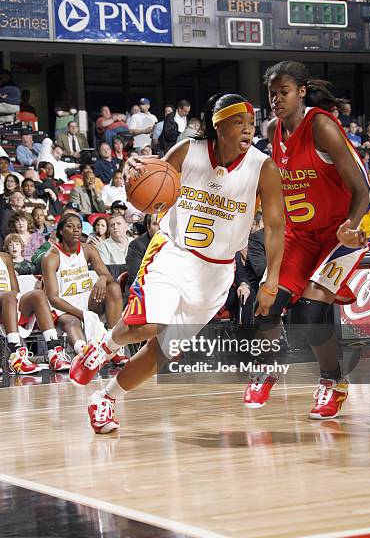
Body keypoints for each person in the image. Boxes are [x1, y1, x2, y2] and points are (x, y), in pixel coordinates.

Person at [69, 93, 285, 434]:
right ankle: (104, 346)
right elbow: (149, 178)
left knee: (164, 352)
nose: (247, 129)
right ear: (218, 125)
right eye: (238, 122)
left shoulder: (264, 167)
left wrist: (272, 279)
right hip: (174, 253)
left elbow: (274, 227)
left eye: (251, 124)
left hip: (217, 273)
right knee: (149, 322)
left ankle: (104, 399)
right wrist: (132, 172)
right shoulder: (189, 151)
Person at [242, 61, 370, 419]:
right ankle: (268, 365)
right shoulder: (273, 130)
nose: (276, 100)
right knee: (265, 303)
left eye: (283, 93)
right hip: (301, 232)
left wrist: (352, 225)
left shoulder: (321, 127)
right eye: (271, 94)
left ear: (301, 92)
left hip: (343, 231)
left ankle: (333, 381)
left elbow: (362, 190)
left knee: (311, 310)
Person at [41, 214, 127, 366]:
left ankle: (114, 347)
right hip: (63, 306)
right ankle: (84, 352)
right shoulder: (51, 256)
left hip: (87, 301)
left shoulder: (88, 249)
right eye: (70, 226)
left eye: (79, 227)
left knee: (112, 287)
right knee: (73, 321)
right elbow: (53, 298)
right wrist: (83, 314)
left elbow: (109, 277)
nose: (76, 230)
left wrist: (102, 278)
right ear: (60, 231)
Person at [0, 249, 69, 374]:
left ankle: (53, 351)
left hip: (9, 306)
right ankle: (15, 355)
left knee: (37, 295)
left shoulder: (5, 257)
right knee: (8, 296)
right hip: (5, 301)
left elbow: (16, 291)